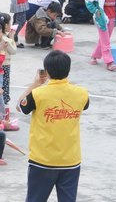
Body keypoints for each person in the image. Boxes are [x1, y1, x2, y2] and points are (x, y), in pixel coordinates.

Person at [18, 51, 89, 202]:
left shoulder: (38, 94)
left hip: (43, 160)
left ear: (47, 71)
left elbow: (20, 106)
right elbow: (84, 106)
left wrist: (35, 84)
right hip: (71, 160)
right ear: (68, 70)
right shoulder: (82, 93)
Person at [0, 13, 18, 130]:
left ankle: (0, 114)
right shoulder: (6, 39)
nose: (11, 25)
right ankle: (4, 117)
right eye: (9, 23)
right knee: (5, 88)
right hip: (5, 64)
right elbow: (13, 51)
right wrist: (12, 36)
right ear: (6, 25)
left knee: (0, 87)